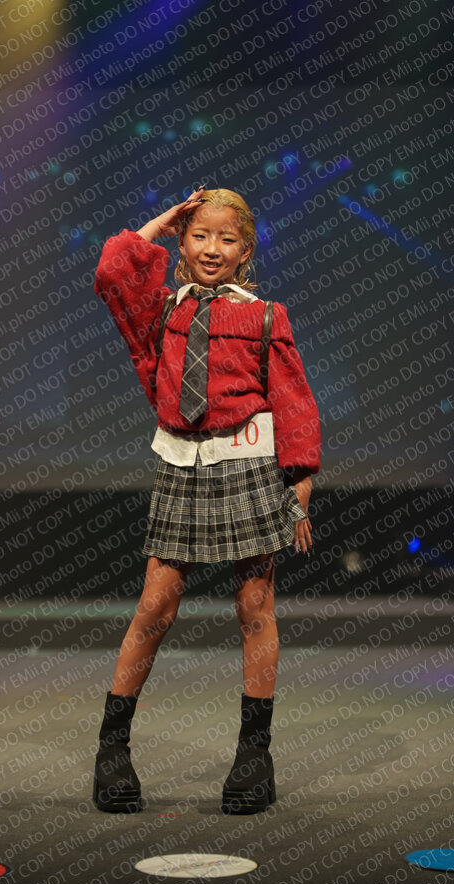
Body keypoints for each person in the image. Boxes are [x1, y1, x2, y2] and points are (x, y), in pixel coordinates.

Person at [91, 186, 321, 815]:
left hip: (249, 466)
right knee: (155, 604)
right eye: (199, 235)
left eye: (226, 238)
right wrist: (158, 224)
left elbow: (293, 398)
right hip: (182, 467)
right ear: (183, 243)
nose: (212, 248)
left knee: (255, 604)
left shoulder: (265, 316)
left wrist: (299, 480)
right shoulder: (161, 310)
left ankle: (254, 756)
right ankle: (112, 751)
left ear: (245, 250)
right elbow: (112, 272)